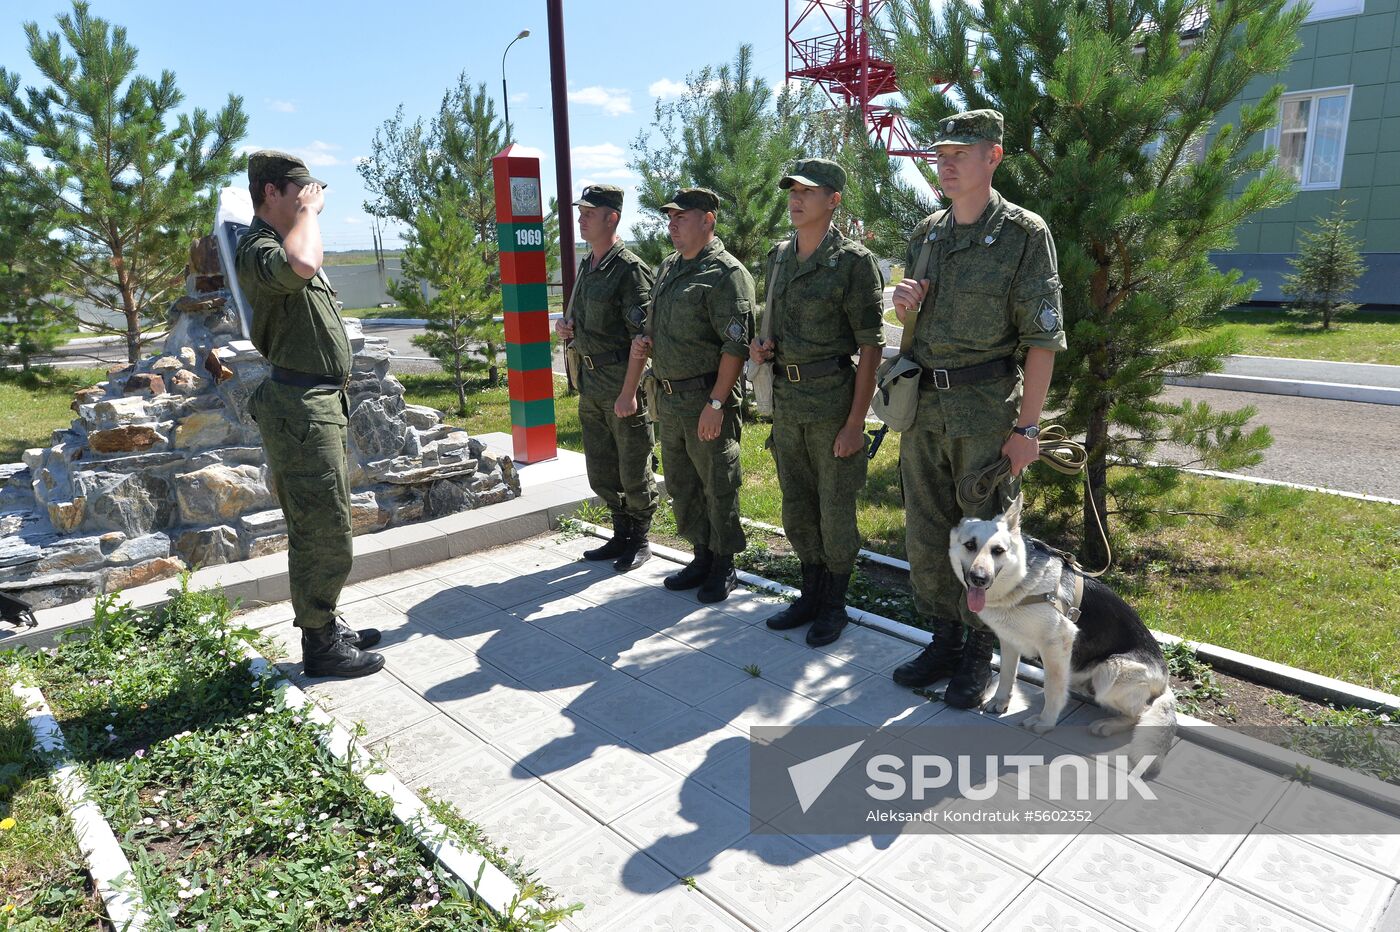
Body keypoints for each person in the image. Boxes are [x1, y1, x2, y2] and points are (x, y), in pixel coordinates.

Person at [887, 111, 1066, 707]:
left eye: (963, 152)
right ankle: (943, 639)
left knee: (986, 542)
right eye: (942, 152)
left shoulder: (1024, 233)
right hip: (926, 413)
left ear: (994, 156)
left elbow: (1041, 340)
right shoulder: (927, 235)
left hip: (987, 413)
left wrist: (1028, 427)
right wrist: (903, 308)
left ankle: (979, 654)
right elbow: (908, 326)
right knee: (929, 536)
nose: (948, 162)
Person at [236, 150, 383, 679]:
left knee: (323, 519)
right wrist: (310, 215)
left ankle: (324, 621)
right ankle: (321, 646)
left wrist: (305, 218)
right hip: (301, 408)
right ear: (271, 192)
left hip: (315, 405)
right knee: (323, 527)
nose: (308, 199)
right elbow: (303, 265)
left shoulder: (280, 243)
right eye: (298, 190)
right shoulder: (259, 249)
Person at [751, 158, 884, 646]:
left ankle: (835, 603)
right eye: (792, 189)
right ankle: (809, 591)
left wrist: (855, 423)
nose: (796, 197)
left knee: (834, 509)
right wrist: (761, 349)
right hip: (788, 401)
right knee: (797, 506)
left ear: (834, 200)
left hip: (832, 402)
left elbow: (870, 348)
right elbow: (771, 325)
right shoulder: (779, 257)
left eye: (808, 190)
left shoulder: (852, 262)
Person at [625, 188, 755, 603]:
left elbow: (734, 346)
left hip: (706, 398)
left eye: (683, 217)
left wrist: (716, 404)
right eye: (670, 217)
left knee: (718, 483)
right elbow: (658, 321)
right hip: (671, 399)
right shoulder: (668, 267)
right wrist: (647, 339)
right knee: (683, 485)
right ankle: (701, 556)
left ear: (708, 221)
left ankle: (724, 565)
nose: (673, 224)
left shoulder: (725, 273)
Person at [554, 184, 658, 572]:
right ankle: (620, 533)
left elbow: (642, 338)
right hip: (592, 383)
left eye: (590, 213)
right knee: (601, 466)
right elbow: (586, 320)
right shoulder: (589, 266)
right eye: (580, 212)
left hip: (620, 380)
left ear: (612, 217)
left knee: (633, 463)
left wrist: (630, 391)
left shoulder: (629, 269)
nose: (581, 218)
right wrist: (569, 328)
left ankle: (641, 537)